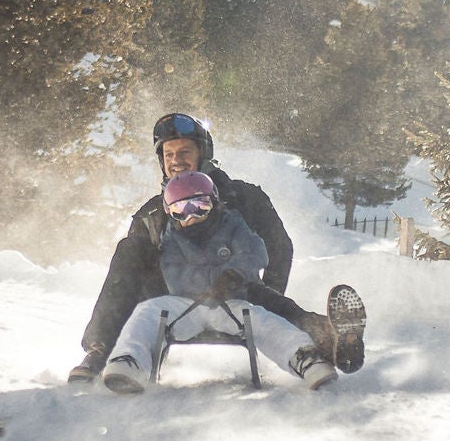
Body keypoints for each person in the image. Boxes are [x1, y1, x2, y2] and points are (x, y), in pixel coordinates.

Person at [68, 112, 365, 382]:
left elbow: (279, 248)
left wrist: (267, 295)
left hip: (235, 291)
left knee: (262, 296)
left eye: (185, 151)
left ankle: (328, 339)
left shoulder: (245, 197)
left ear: (203, 153)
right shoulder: (153, 213)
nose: (176, 160)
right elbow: (127, 275)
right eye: (168, 154)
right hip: (172, 299)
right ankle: (102, 350)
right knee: (129, 249)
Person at [101, 171, 335, 393]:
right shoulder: (171, 239)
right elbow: (175, 276)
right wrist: (211, 281)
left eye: (199, 206)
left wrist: (233, 275)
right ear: (170, 213)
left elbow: (255, 253)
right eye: (181, 210)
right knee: (147, 311)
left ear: (214, 203)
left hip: (230, 301)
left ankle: (305, 358)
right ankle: (129, 360)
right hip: (185, 305)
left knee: (261, 319)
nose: (191, 216)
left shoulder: (232, 224)